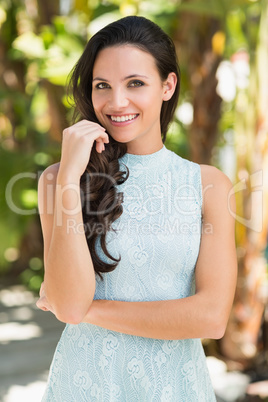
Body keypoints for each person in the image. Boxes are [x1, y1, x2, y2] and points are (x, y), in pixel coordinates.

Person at [36, 15, 237, 401]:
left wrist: (85, 311)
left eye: (135, 84)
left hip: (174, 387)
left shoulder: (207, 185)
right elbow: (67, 300)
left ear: (167, 85)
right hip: (84, 384)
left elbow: (211, 317)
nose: (116, 102)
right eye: (102, 86)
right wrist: (67, 180)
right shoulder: (60, 179)